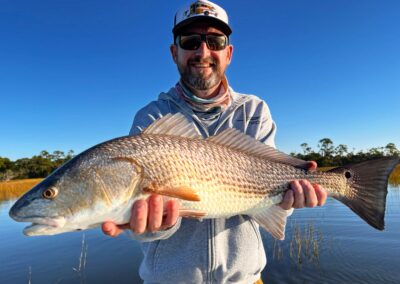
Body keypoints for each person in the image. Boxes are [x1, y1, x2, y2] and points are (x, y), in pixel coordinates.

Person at [102, 1, 327, 283]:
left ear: (228, 52)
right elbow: (146, 228)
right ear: (175, 53)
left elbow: (271, 189)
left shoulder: (254, 110)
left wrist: (291, 200)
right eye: (191, 41)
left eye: (215, 41)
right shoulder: (151, 116)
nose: (203, 51)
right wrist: (155, 225)